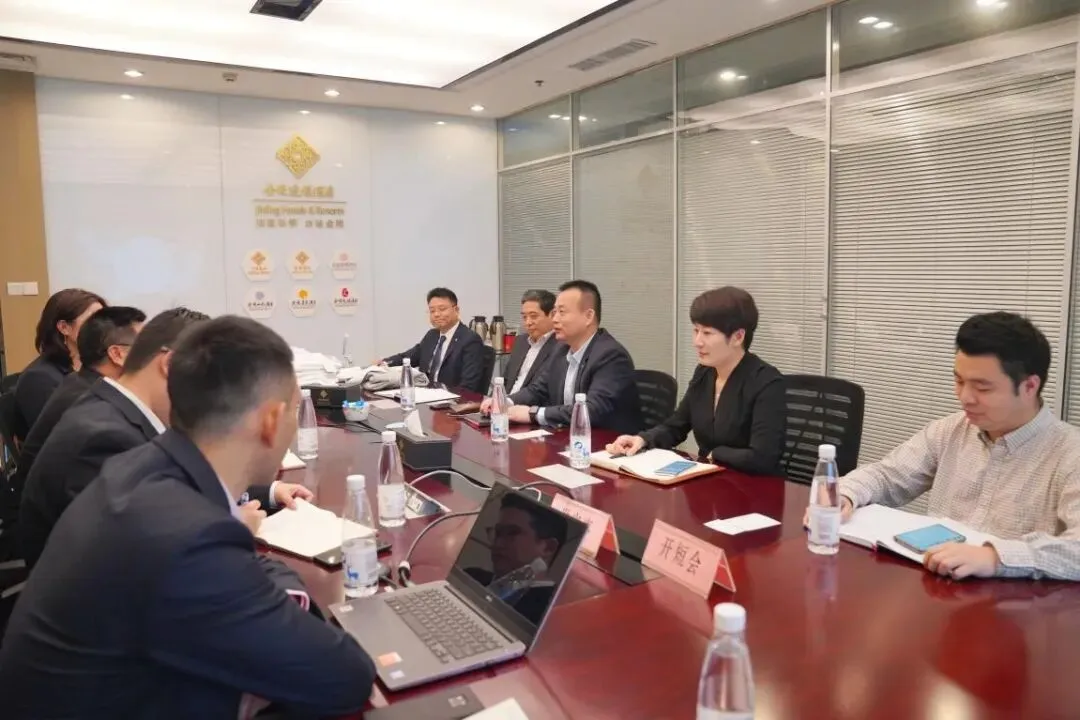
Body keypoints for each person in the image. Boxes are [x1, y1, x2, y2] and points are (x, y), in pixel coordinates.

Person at [0, 316, 375, 718]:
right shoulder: (186, 540)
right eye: (294, 410)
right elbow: (345, 676)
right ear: (270, 422)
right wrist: (271, 580)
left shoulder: (145, 466)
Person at [18, 307, 311, 569]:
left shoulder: (117, 411)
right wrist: (231, 523)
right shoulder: (104, 438)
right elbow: (138, 553)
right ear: (170, 365)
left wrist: (265, 492)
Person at [830, 312, 1080, 581]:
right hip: (939, 587)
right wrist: (845, 494)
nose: (964, 397)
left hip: (1017, 601)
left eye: (982, 388)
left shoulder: (1070, 453)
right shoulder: (951, 430)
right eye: (959, 381)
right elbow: (888, 475)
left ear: (1029, 386)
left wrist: (995, 557)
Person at [606, 287, 785, 475]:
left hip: (753, 486)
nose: (697, 341)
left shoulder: (766, 383)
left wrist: (716, 454)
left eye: (707, 333)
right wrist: (643, 439)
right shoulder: (705, 372)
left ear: (738, 337)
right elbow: (676, 426)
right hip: (711, 478)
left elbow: (763, 457)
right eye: (696, 330)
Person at [12, 306, 146, 493]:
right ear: (117, 354)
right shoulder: (92, 403)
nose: (153, 355)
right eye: (146, 346)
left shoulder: (84, 382)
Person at [485, 280, 642, 434]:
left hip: (606, 443)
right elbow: (537, 390)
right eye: (554, 312)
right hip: (567, 436)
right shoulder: (561, 349)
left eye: (562, 312)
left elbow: (591, 410)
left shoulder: (610, 355)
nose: (555, 319)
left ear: (588, 316)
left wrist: (533, 414)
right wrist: (505, 401)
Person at [13, 288, 106, 437]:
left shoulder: (92, 367)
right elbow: (63, 436)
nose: (104, 328)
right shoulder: (39, 378)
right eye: (93, 321)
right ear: (64, 327)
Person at [465, 492, 568, 625]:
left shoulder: (549, 614)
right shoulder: (471, 576)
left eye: (512, 533)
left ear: (548, 548)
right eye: (498, 533)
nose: (497, 544)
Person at [381, 287, 487, 392]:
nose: (436, 314)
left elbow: (468, 386)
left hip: (450, 397)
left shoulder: (470, 340)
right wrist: (383, 363)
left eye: (442, 309)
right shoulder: (432, 335)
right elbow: (408, 357)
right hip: (425, 394)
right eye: (432, 311)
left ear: (456, 310)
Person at [504, 289, 558, 394]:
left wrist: (510, 401)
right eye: (524, 317)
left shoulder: (560, 346)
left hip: (531, 402)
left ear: (552, 315)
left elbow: (543, 391)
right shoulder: (520, 341)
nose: (528, 322)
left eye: (533, 316)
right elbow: (505, 380)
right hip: (506, 400)